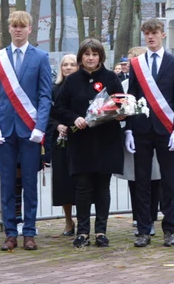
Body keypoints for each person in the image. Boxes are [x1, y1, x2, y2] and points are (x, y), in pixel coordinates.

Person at [0, 10, 54, 252]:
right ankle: (10, 232)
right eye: (14, 26)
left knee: (29, 184)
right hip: (4, 130)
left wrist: (40, 127)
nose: (18, 30)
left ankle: (29, 232)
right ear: (9, 28)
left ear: (29, 29)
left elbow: (46, 96)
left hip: (30, 130)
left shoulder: (41, 57)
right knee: (6, 183)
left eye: (22, 26)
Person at [53, 38, 125, 248]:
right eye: (87, 54)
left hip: (106, 140)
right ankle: (83, 231)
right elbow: (60, 107)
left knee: (103, 187)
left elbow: (122, 103)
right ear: (81, 57)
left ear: (101, 57)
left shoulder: (111, 78)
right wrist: (74, 118)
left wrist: (121, 115)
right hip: (81, 141)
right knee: (82, 187)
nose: (91, 58)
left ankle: (101, 231)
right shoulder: (72, 80)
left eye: (95, 54)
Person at [124, 18, 174, 247]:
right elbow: (130, 97)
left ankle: (169, 228)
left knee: (168, 181)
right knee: (141, 181)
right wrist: (129, 130)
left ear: (163, 34)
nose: (150, 36)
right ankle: (143, 229)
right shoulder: (136, 64)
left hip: (166, 128)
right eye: (147, 33)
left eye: (154, 32)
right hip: (141, 129)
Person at [120, 46, 163, 233]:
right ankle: (138, 217)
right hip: (133, 136)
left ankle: (152, 217)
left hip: (154, 134)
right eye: (129, 61)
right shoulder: (124, 84)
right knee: (135, 179)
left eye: (133, 60)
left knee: (155, 179)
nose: (130, 65)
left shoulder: (156, 82)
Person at [46, 53, 78, 236]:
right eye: (65, 64)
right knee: (63, 182)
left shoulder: (82, 87)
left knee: (80, 183)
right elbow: (47, 114)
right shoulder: (53, 89)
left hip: (80, 139)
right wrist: (57, 126)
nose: (68, 67)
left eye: (72, 64)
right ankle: (68, 220)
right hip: (60, 140)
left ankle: (83, 219)